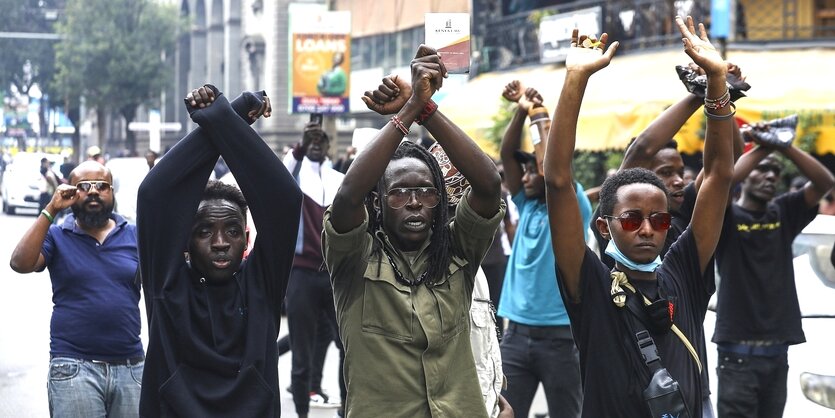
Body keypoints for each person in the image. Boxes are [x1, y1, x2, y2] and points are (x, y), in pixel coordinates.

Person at [544, 18, 734, 417]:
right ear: (604, 226)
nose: (647, 229)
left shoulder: (682, 271)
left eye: (660, 221)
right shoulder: (591, 283)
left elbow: (718, 173)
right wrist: (576, 79)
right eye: (631, 219)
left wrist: (717, 81)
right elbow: (559, 180)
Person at [322, 45, 504, 418]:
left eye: (425, 191)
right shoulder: (355, 258)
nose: (415, 201)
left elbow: (488, 185)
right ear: (377, 203)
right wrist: (407, 112)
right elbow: (346, 197)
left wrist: (427, 109)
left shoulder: (458, 249)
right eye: (400, 193)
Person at [136, 84, 302, 417]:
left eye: (231, 231)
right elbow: (154, 195)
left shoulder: (261, 285)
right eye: (204, 232)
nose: (221, 242)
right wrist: (226, 116)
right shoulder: (167, 286)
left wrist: (227, 117)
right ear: (184, 242)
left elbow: (284, 198)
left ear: (246, 237)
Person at [713, 130, 834, 417]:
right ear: (745, 176)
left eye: (775, 172)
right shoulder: (723, 217)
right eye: (761, 170)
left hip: (777, 355)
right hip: (736, 358)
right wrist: (764, 148)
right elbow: (722, 180)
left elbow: (825, 182)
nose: (770, 176)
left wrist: (785, 146)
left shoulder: (783, 212)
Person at [10, 160, 144, 417]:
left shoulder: (135, 236)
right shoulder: (57, 236)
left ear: (112, 192)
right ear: (70, 192)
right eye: (84, 186)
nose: (93, 191)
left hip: (131, 368)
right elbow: (20, 263)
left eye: (102, 186)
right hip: (74, 367)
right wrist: (50, 209)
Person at [496, 80, 589, 418]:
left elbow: (554, 171)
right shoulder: (526, 204)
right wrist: (522, 112)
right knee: (505, 412)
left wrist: (541, 116)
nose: (526, 176)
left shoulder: (571, 205)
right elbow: (506, 154)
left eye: (533, 169)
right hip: (516, 337)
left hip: (561, 341)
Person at [282, 121, 346, 416]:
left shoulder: (337, 179)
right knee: (301, 352)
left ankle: (348, 408)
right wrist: (300, 145)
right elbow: (283, 173)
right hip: (301, 275)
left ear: (330, 146)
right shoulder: (295, 176)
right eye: (312, 140)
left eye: (322, 140)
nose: (317, 144)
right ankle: (302, 413)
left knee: (348, 347)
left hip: (333, 276)